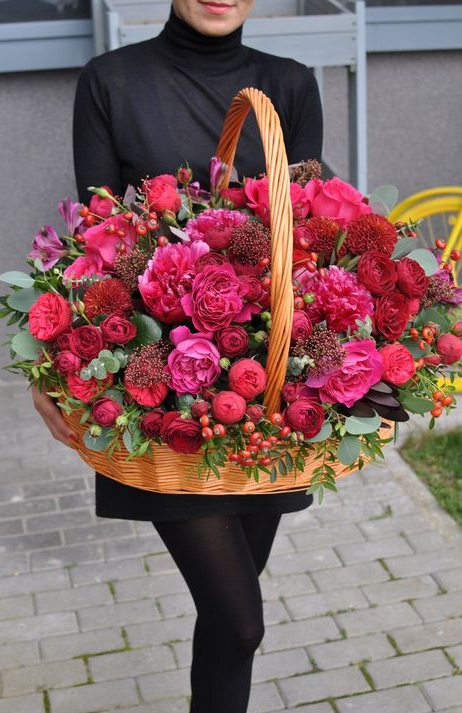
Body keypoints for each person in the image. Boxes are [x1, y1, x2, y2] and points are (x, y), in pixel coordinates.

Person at [32, 1, 323, 711]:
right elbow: (91, 247)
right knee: (242, 617)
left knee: (228, 621)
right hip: (159, 394)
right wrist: (50, 366)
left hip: (267, 395)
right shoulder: (111, 82)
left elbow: (311, 235)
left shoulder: (289, 85)